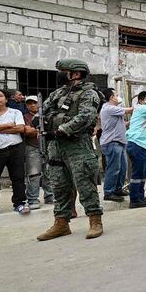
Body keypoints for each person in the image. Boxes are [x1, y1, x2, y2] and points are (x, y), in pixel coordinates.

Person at [37, 59, 104, 240]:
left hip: (77, 144)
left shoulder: (89, 93)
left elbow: (86, 116)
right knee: (59, 185)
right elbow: (43, 111)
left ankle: (95, 220)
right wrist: (40, 122)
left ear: (76, 73)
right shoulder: (57, 93)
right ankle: (61, 223)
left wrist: (63, 128)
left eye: (63, 71)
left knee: (85, 184)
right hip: (55, 146)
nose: (60, 74)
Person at [0, 88, 29, 219]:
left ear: (6, 99)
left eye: (0, 95)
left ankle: (20, 204)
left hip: (15, 149)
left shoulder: (15, 112)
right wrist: (9, 125)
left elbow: (20, 128)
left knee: (18, 177)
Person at [100, 88, 133, 202]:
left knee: (122, 168)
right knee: (113, 168)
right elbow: (129, 110)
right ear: (111, 97)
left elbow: (121, 124)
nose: (118, 97)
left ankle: (118, 189)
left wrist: (132, 122)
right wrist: (140, 107)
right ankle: (109, 192)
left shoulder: (113, 109)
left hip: (119, 142)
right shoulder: (109, 108)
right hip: (112, 143)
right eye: (116, 95)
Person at [22, 95, 54, 209]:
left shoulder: (47, 115)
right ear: (26, 105)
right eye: (29, 103)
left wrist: (39, 130)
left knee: (49, 173)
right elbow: (27, 131)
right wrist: (41, 130)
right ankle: (33, 199)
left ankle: (50, 196)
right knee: (33, 174)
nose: (32, 105)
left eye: (35, 103)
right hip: (33, 147)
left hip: (48, 147)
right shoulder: (25, 117)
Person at [125, 91, 146, 208]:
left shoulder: (141, 109)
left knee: (143, 173)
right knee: (138, 173)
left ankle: (140, 197)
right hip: (138, 143)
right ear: (142, 100)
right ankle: (135, 199)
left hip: (141, 144)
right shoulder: (143, 108)